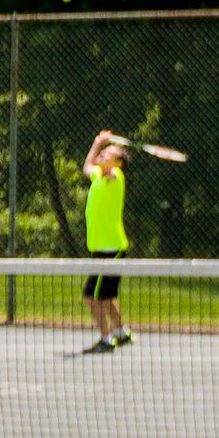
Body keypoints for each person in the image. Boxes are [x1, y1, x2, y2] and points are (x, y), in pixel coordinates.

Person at [81, 129, 134, 354]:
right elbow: (87, 167)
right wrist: (97, 142)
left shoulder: (115, 178)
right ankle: (121, 333)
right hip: (103, 248)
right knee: (107, 295)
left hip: (110, 250)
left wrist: (110, 162)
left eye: (108, 153)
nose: (102, 155)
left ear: (118, 163)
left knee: (92, 297)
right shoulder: (98, 177)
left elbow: (110, 172)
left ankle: (105, 338)